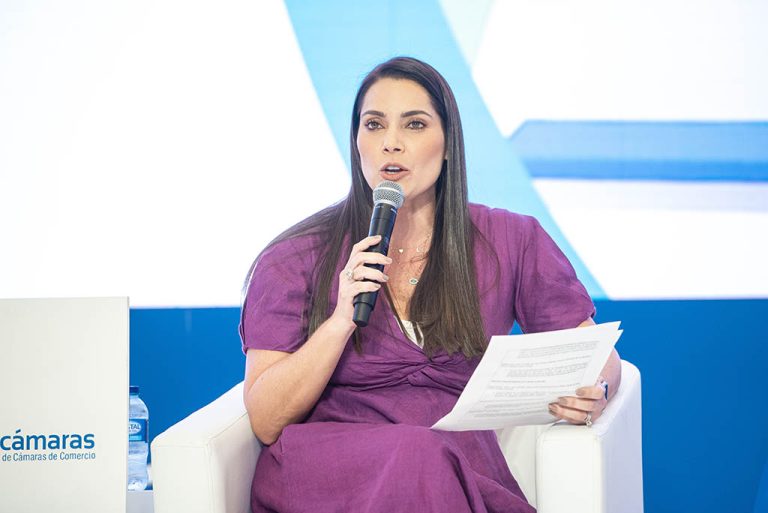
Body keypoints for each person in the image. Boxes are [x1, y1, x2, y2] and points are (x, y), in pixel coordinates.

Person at [239, 56, 622, 513]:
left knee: (423, 454)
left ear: (447, 146)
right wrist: (340, 321)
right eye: (374, 125)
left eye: (414, 124)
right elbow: (266, 420)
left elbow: (593, 354)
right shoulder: (295, 256)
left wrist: (595, 392)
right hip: (333, 473)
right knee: (416, 452)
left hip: (454, 472)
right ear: (356, 142)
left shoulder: (512, 239)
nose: (391, 143)